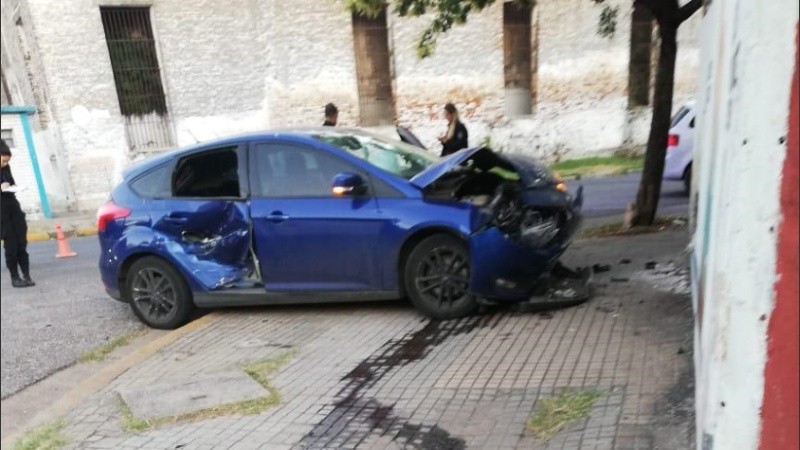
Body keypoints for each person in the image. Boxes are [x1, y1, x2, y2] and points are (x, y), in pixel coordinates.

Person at [1, 140, 34, 287]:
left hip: (13, 207)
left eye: (7, 161)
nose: (5, 164)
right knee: (11, 246)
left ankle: (27, 275)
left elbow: (11, 183)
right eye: (3, 161)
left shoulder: (6, 168)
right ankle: (15, 278)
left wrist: (14, 186)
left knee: (22, 243)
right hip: (2, 214)